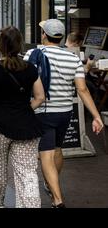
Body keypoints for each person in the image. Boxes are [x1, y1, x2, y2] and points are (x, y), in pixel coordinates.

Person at [24, 19, 104, 208]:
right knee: (58, 149)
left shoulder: (32, 53)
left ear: (45, 35)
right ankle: (51, 185)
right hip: (65, 112)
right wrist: (96, 116)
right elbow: (82, 90)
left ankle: (57, 200)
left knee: (46, 154)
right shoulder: (73, 58)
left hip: (43, 111)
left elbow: (24, 78)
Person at [0, 26, 45, 208]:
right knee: (28, 172)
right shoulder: (30, 69)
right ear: (19, 45)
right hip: (27, 126)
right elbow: (40, 97)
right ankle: (31, 204)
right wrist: (23, 108)